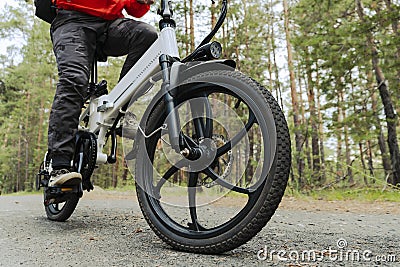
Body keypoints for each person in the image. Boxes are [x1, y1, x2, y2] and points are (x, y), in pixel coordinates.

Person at [47, 0, 158, 186]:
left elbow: (135, 9)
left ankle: (123, 110)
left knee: (147, 35)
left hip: (109, 25)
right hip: (72, 20)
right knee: (74, 79)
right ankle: (59, 165)